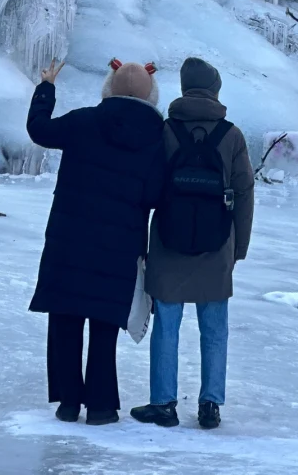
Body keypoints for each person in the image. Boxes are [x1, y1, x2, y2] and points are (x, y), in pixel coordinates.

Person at [26, 57, 165, 425]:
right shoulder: (157, 137)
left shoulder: (83, 120)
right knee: (105, 323)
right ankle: (101, 405)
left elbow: (40, 130)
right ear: (151, 95)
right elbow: (154, 194)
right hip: (120, 243)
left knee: (66, 318)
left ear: (109, 87)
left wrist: (46, 88)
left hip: (70, 238)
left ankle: (69, 401)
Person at [132, 56, 254, 431]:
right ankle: (210, 404)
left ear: (184, 89)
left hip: (168, 241)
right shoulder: (231, 135)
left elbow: (146, 188)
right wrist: (239, 248)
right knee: (214, 326)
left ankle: (163, 403)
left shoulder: (165, 130)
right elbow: (245, 191)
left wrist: (141, 242)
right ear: (215, 90)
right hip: (217, 245)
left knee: (167, 323)